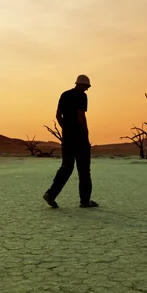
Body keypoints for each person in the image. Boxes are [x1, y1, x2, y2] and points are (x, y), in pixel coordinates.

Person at [43, 75, 99, 208]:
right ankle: (85, 201)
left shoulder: (65, 95)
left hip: (67, 137)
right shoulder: (81, 96)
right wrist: (85, 132)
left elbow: (57, 115)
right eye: (86, 87)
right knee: (84, 170)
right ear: (83, 85)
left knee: (66, 167)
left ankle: (51, 194)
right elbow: (81, 115)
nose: (87, 89)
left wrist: (65, 128)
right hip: (79, 137)